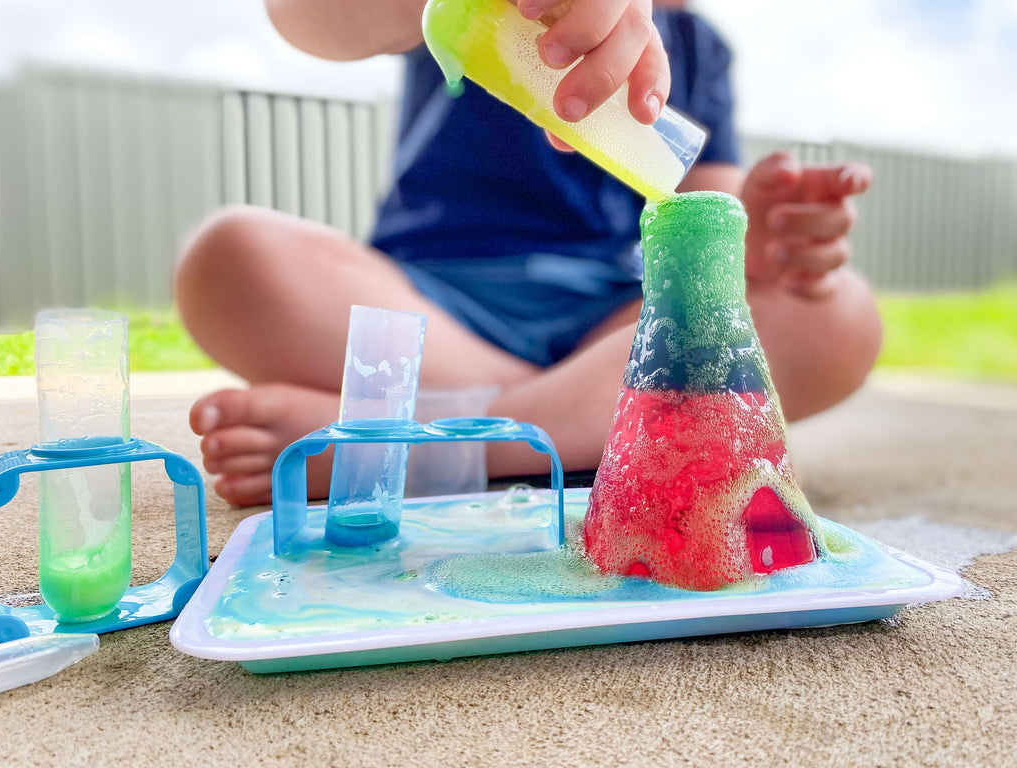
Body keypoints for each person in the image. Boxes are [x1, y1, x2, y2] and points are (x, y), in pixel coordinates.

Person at [174, 0, 882, 508]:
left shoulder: (698, 42)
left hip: (615, 323)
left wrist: (769, 234)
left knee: (839, 313)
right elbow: (302, 15)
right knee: (232, 255)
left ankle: (429, 442)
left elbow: (708, 230)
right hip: (435, 305)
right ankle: (583, 422)